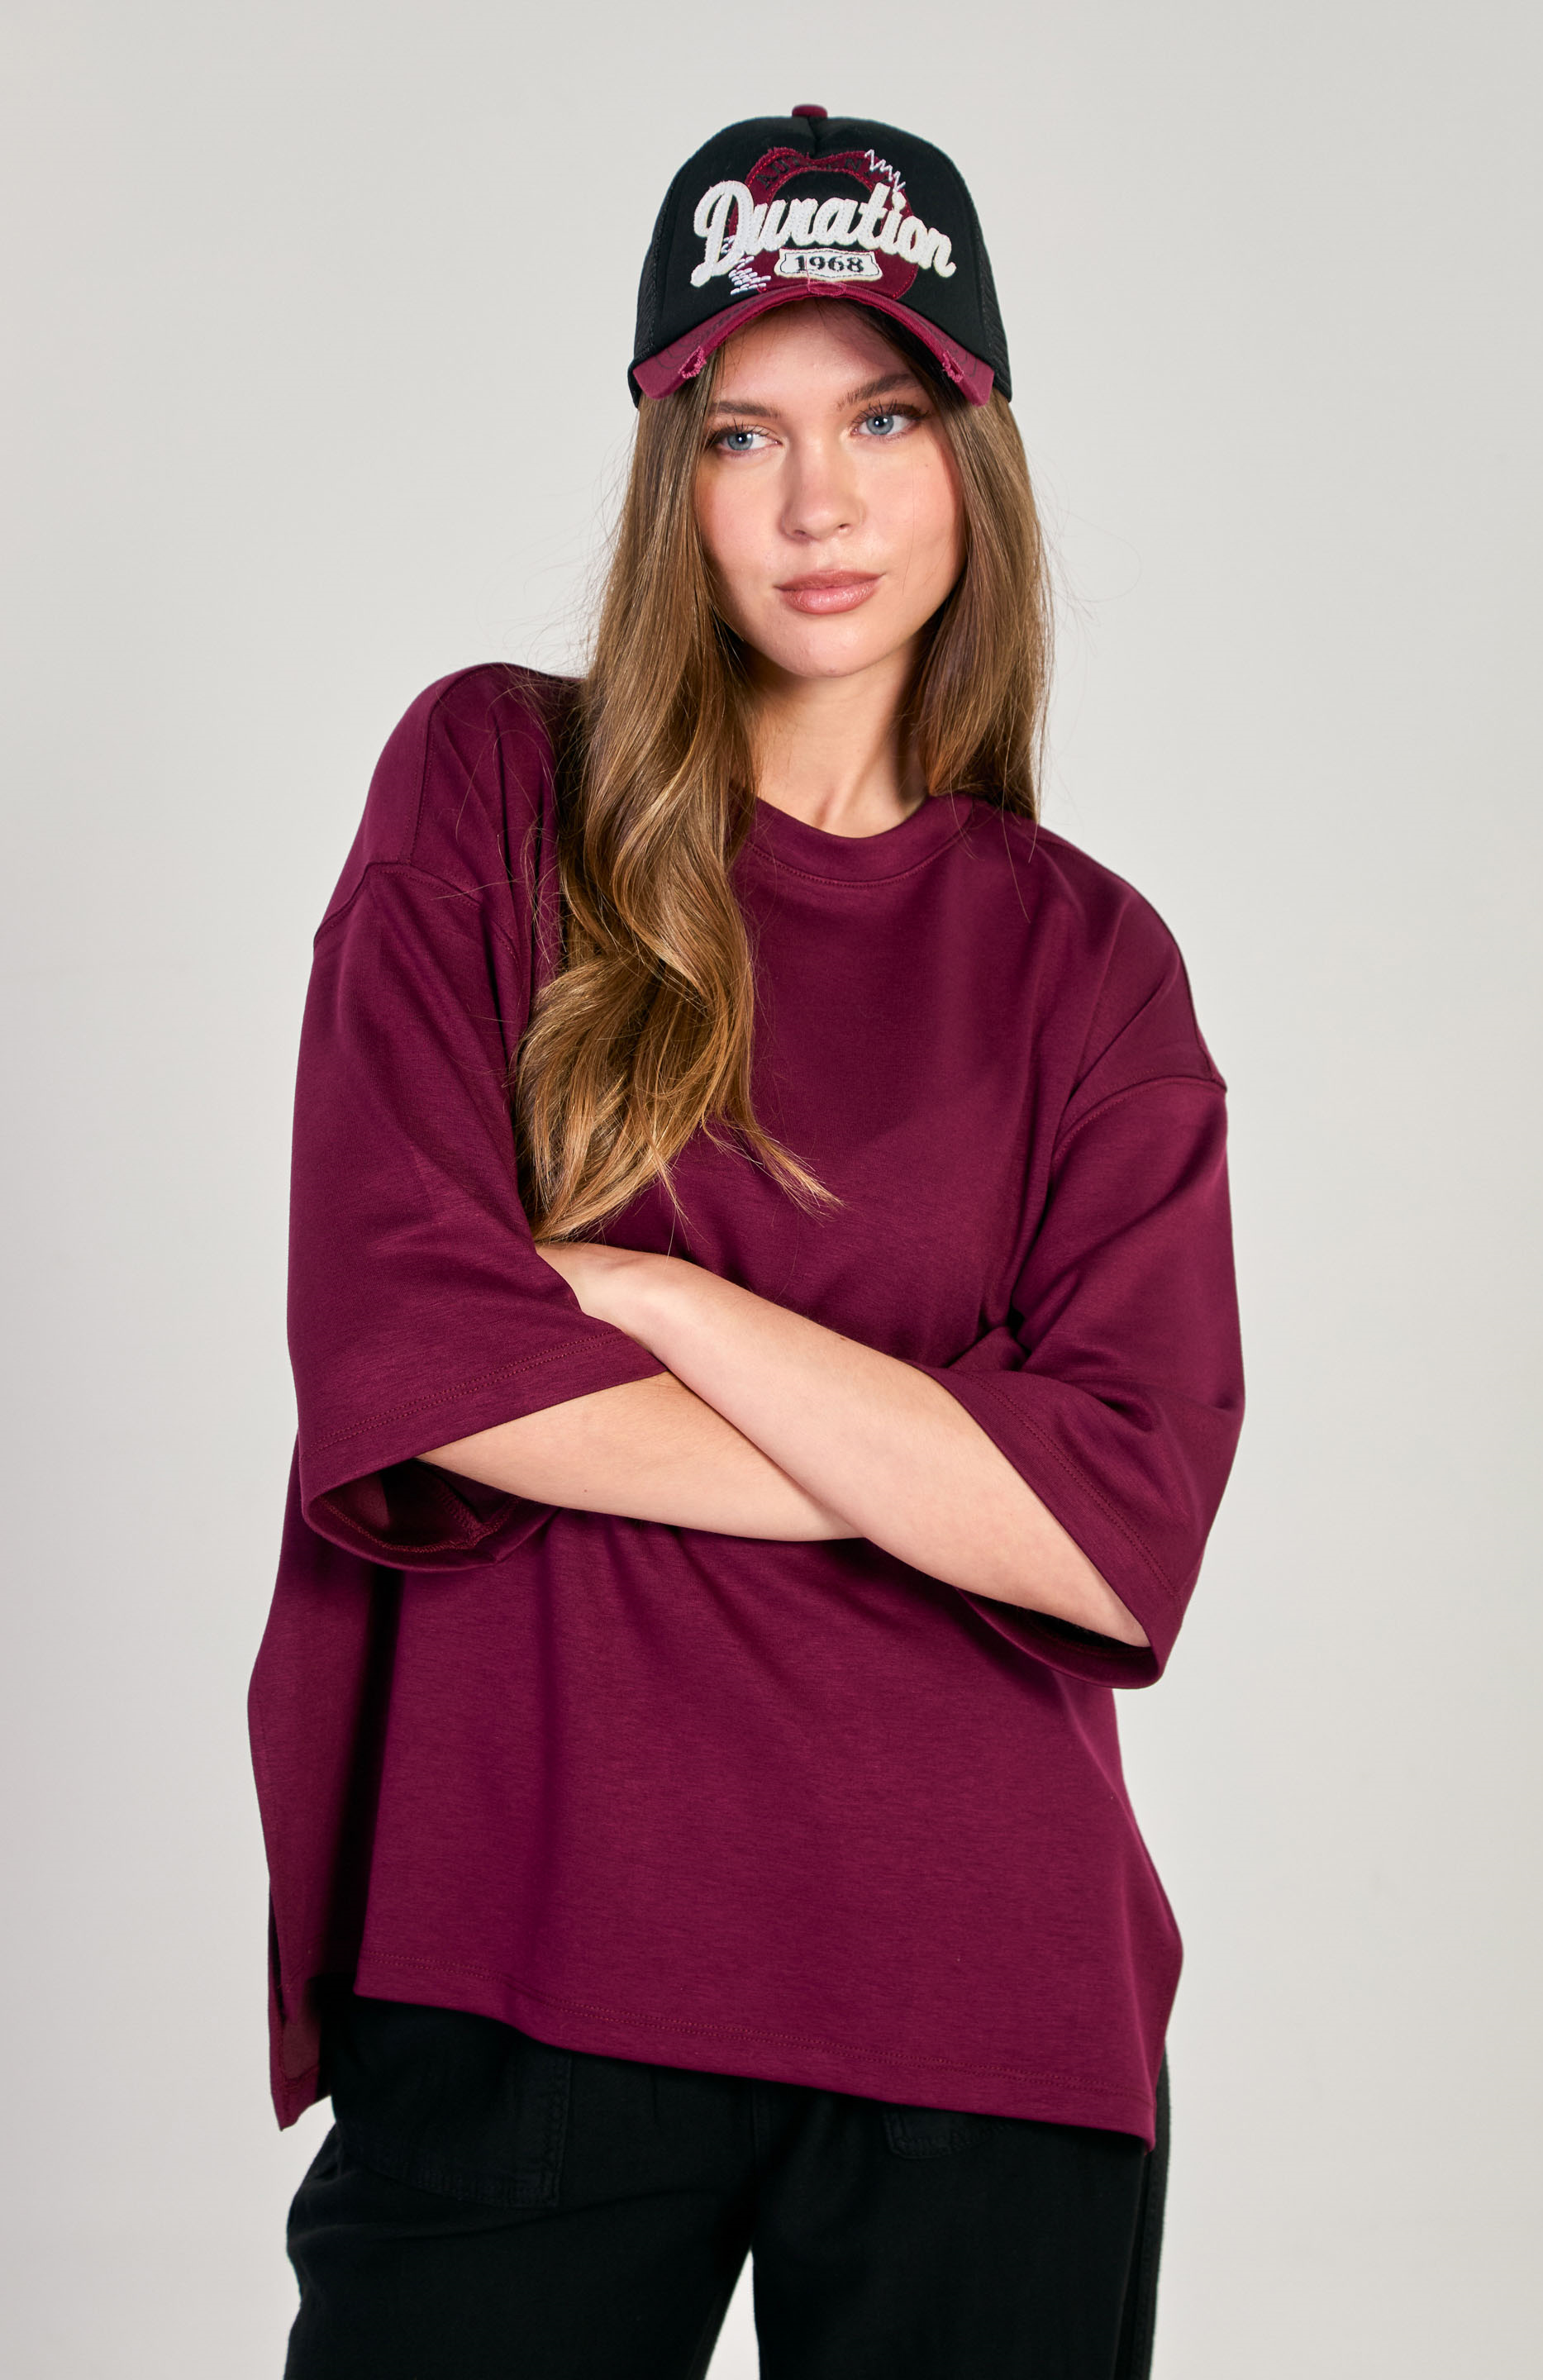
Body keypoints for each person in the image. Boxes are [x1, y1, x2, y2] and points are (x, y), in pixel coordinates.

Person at [250, 104, 1244, 2380]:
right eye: (743, 432)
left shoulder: (1090, 964)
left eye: (882, 418)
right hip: (526, 1945)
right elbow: (406, 1356)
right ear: (668, 481)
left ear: (974, 460)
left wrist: (654, 1295)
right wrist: (948, 1468)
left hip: (990, 1996)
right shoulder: (496, 790)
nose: (818, 504)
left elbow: (1125, 1543)